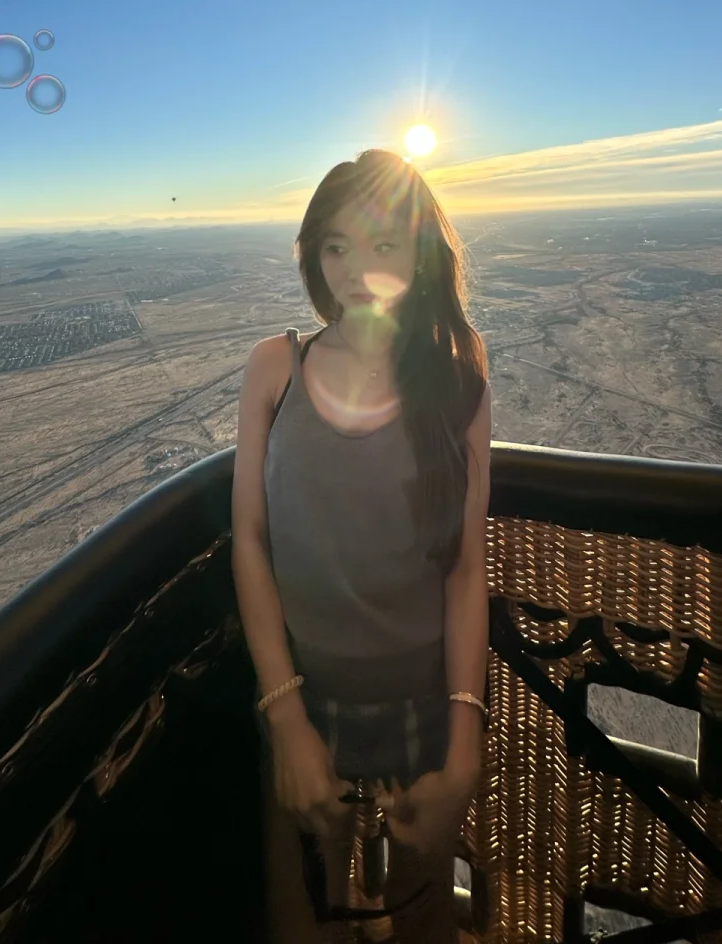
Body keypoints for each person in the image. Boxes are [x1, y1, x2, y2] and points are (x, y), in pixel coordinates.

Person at [232, 148, 492, 941]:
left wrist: (464, 740)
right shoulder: (277, 367)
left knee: (423, 925)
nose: (355, 267)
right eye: (336, 246)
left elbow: (465, 567)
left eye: (381, 243)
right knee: (302, 922)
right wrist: (286, 721)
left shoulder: (459, 378)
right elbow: (249, 539)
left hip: (427, 704)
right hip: (304, 701)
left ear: (419, 251)